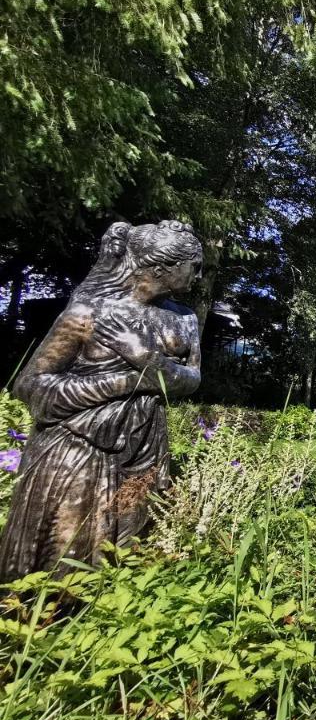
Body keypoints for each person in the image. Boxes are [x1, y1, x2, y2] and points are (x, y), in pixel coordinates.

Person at [0, 221, 202, 581]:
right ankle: (44, 616)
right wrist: (130, 378)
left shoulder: (184, 319)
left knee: (133, 545)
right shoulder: (88, 313)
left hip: (146, 442)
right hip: (78, 445)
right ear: (161, 268)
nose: (199, 275)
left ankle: (112, 611)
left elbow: (192, 379)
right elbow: (30, 385)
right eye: (194, 266)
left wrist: (147, 361)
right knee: (67, 555)